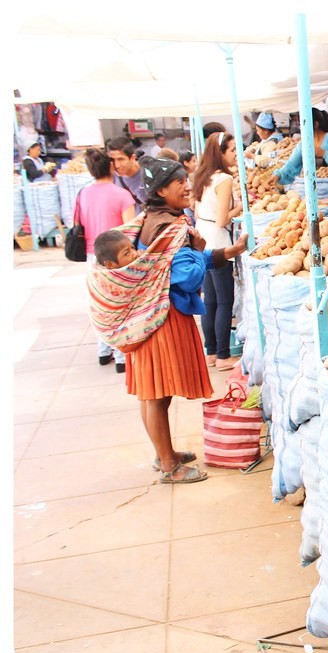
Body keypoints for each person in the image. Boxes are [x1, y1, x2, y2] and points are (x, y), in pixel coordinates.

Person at [86, 156, 249, 484]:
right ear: (161, 190)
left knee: (151, 395)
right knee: (158, 397)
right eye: (180, 183)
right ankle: (169, 465)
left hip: (147, 318)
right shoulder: (170, 226)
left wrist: (227, 252)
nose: (187, 186)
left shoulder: (152, 218)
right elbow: (186, 278)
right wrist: (199, 249)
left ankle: (166, 456)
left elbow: (166, 266)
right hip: (161, 319)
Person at [77, 147, 137, 372]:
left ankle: (103, 351)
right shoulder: (121, 195)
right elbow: (129, 232)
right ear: (110, 166)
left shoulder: (84, 193)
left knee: (100, 304)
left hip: (93, 255)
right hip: (118, 257)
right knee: (121, 305)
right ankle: (121, 356)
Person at [192, 131, 244, 370]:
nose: (236, 154)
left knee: (210, 300)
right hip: (219, 243)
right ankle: (223, 356)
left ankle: (211, 352)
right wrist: (240, 207)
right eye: (232, 150)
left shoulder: (203, 176)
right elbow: (223, 219)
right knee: (224, 301)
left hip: (202, 240)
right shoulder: (223, 179)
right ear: (220, 153)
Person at [273, 107, 328, 185]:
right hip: (310, 187)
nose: (301, 128)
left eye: (303, 124)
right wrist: (278, 175)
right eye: (300, 125)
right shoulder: (303, 145)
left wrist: (325, 153)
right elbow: (291, 165)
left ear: (315, 124)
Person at [106, 137, 146, 214]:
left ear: (132, 158)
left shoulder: (148, 175)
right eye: (112, 160)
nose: (117, 165)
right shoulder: (112, 177)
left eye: (121, 159)